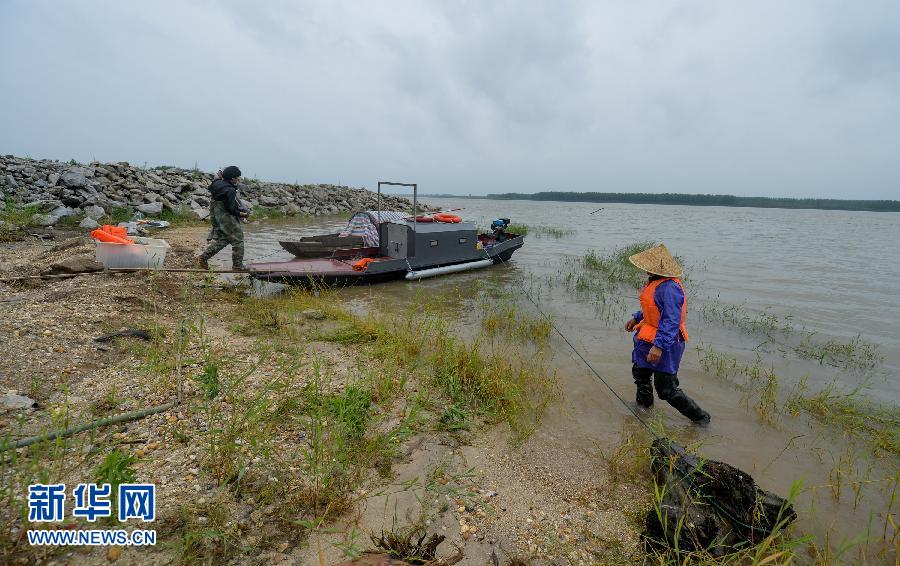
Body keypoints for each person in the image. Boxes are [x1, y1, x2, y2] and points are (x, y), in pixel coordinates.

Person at [625, 244, 710, 425]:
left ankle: (701, 418)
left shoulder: (670, 287)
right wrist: (636, 317)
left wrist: (659, 346)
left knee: (666, 389)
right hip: (646, 337)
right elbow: (653, 308)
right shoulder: (654, 282)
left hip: (666, 343)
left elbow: (671, 319)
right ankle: (643, 411)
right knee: (641, 374)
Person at [198, 165, 247, 270]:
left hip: (216, 216)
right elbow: (230, 209)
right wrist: (242, 214)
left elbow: (216, 181)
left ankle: (202, 258)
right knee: (238, 240)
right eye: (238, 177)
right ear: (233, 178)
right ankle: (237, 266)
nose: (239, 179)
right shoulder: (230, 190)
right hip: (226, 218)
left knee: (224, 239)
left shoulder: (217, 183)